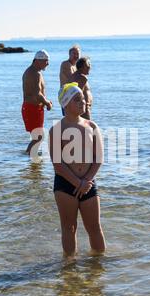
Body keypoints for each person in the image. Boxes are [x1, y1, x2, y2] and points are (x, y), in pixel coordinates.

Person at [49, 82, 106, 258]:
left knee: (94, 227)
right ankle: (69, 268)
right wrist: (77, 182)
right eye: (77, 99)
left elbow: (98, 158)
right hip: (66, 184)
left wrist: (86, 181)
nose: (83, 102)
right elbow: (57, 164)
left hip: (88, 183)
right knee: (69, 227)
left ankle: (98, 265)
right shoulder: (57, 129)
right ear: (65, 104)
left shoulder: (92, 126)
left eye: (83, 98)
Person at [21, 50, 53, 156]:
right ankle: (29, 158)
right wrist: (47, 102)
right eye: (46, 61)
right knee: (38, 137)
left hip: (33, 108)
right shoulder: (34, 73)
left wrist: (44, 102)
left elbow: (37, 93)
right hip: (31, 108)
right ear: (38, 60)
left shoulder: (33, 71)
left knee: (38, 137)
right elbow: (37, 94)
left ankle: (32, 163)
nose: (48, 63)